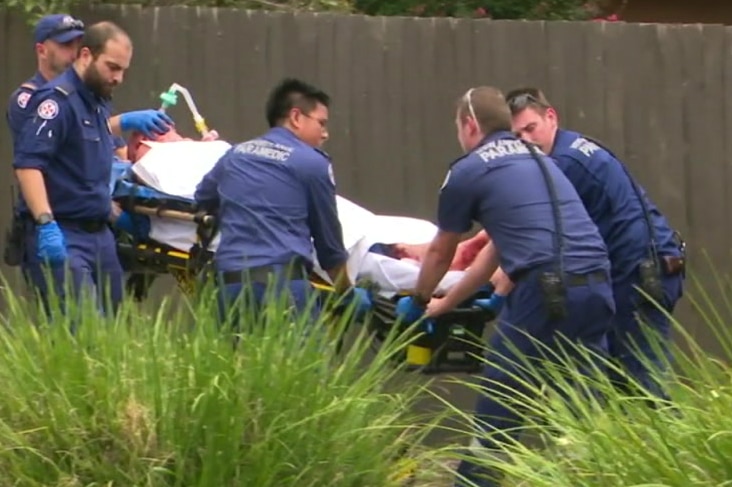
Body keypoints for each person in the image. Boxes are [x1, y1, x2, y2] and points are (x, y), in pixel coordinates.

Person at [393, 86, 616, 487]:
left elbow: (442, 251)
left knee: (500, 408)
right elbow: (494, 254)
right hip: (598, 285)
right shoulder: (538, 159)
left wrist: (419, 298)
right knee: (586, 417)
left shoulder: (469, 169)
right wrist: (447, 304)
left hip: (546, 290)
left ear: (469, 125)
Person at [506, 87, 686, 399]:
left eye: (530, 128)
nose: (525, 139)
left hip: (639, 276)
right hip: (641, 269)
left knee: (645, 387)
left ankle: (670, 447)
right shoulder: (570, 148)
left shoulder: (561, 164)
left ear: (551, 117)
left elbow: (530, 225)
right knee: (622, 385)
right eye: (516, 134)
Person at [12, 21, 173, 320]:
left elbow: (96, 173)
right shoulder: (56, 103)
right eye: (112, 67)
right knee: (84, 334)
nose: (118, 78)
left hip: (99, 236)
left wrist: (121, 216)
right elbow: (28, 165)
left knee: (112, 337)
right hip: (64, 233)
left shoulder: (97, 104)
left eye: (123, 70)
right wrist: (46, 224)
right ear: (86, 56)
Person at [194, 78, 371, 328]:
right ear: (296, 117)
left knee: (234, 366)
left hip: (229, 289)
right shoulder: (312, 164)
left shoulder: (235, 155)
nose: (325, 133)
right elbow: (329, 244)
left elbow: (202, 198)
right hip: (282, 290)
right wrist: (347, 294)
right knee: (302, 368)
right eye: (321, 123)